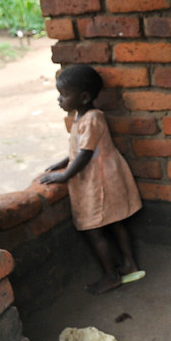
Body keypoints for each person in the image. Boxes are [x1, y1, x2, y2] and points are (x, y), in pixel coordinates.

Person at [41, 64, 144, 294]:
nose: (59, 99)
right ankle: (129, 264)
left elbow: (85, 153)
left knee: (93, 230)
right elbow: (80, 149)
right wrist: (63, 161)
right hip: (105, 176)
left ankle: (111, 275)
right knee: (115, 222)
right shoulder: (83, 117)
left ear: (84, 96)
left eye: (64, 94)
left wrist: (65, 174)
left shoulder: (91, 119)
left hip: (99, 181)